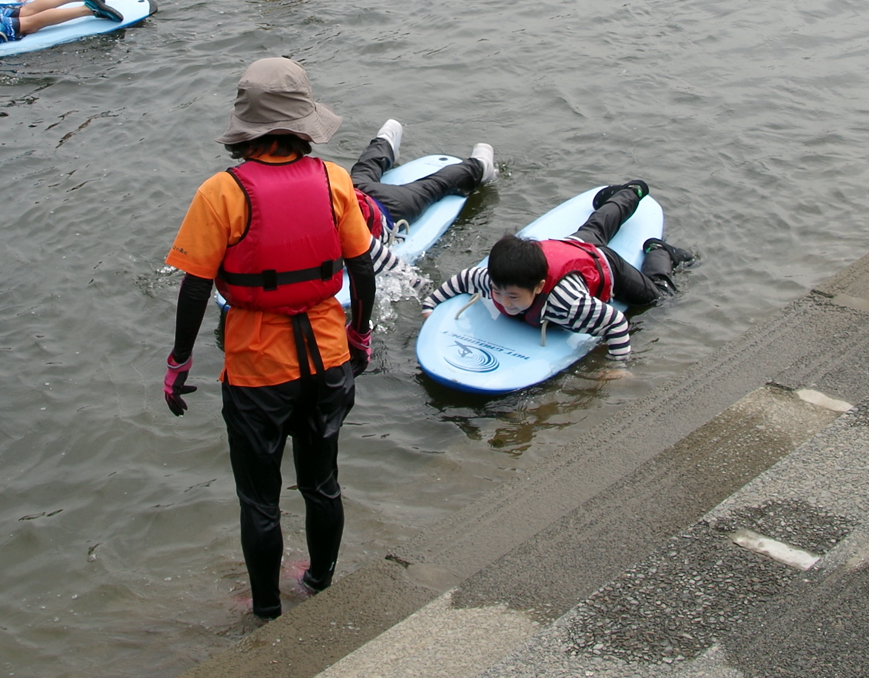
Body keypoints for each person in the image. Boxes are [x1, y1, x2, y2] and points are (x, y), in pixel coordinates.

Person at [162, 59, 377, 619]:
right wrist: (360, 336)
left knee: (259, 500)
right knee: (322, 482)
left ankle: (265, 611)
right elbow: (362, 269)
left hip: (259, 369)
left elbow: (194, 290)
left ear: (246, 126)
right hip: (328, 356)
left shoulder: (222, 193)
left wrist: (178, 362)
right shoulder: (333, 181)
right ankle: (320, 582)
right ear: (304, 123)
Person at [419, 183, 693, 365]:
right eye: (499, 293)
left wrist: (616, 365)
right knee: (596, 226)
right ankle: (624, 194)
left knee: (658, 297)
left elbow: (616, 322)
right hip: (567, 245)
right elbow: (463, 279)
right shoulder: (496, 282)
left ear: (539, 287)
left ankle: (659, 250)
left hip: (605, 266)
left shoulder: (568, 304)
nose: (503, 301)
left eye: (513, 296)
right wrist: (430, 305)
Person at [349, 118, 495, 274]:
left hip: (387, 206)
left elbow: (375, 254)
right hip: (351, 190)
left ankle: (480, 165)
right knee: (365, 168)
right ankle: (386, 140)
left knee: (434, 186)